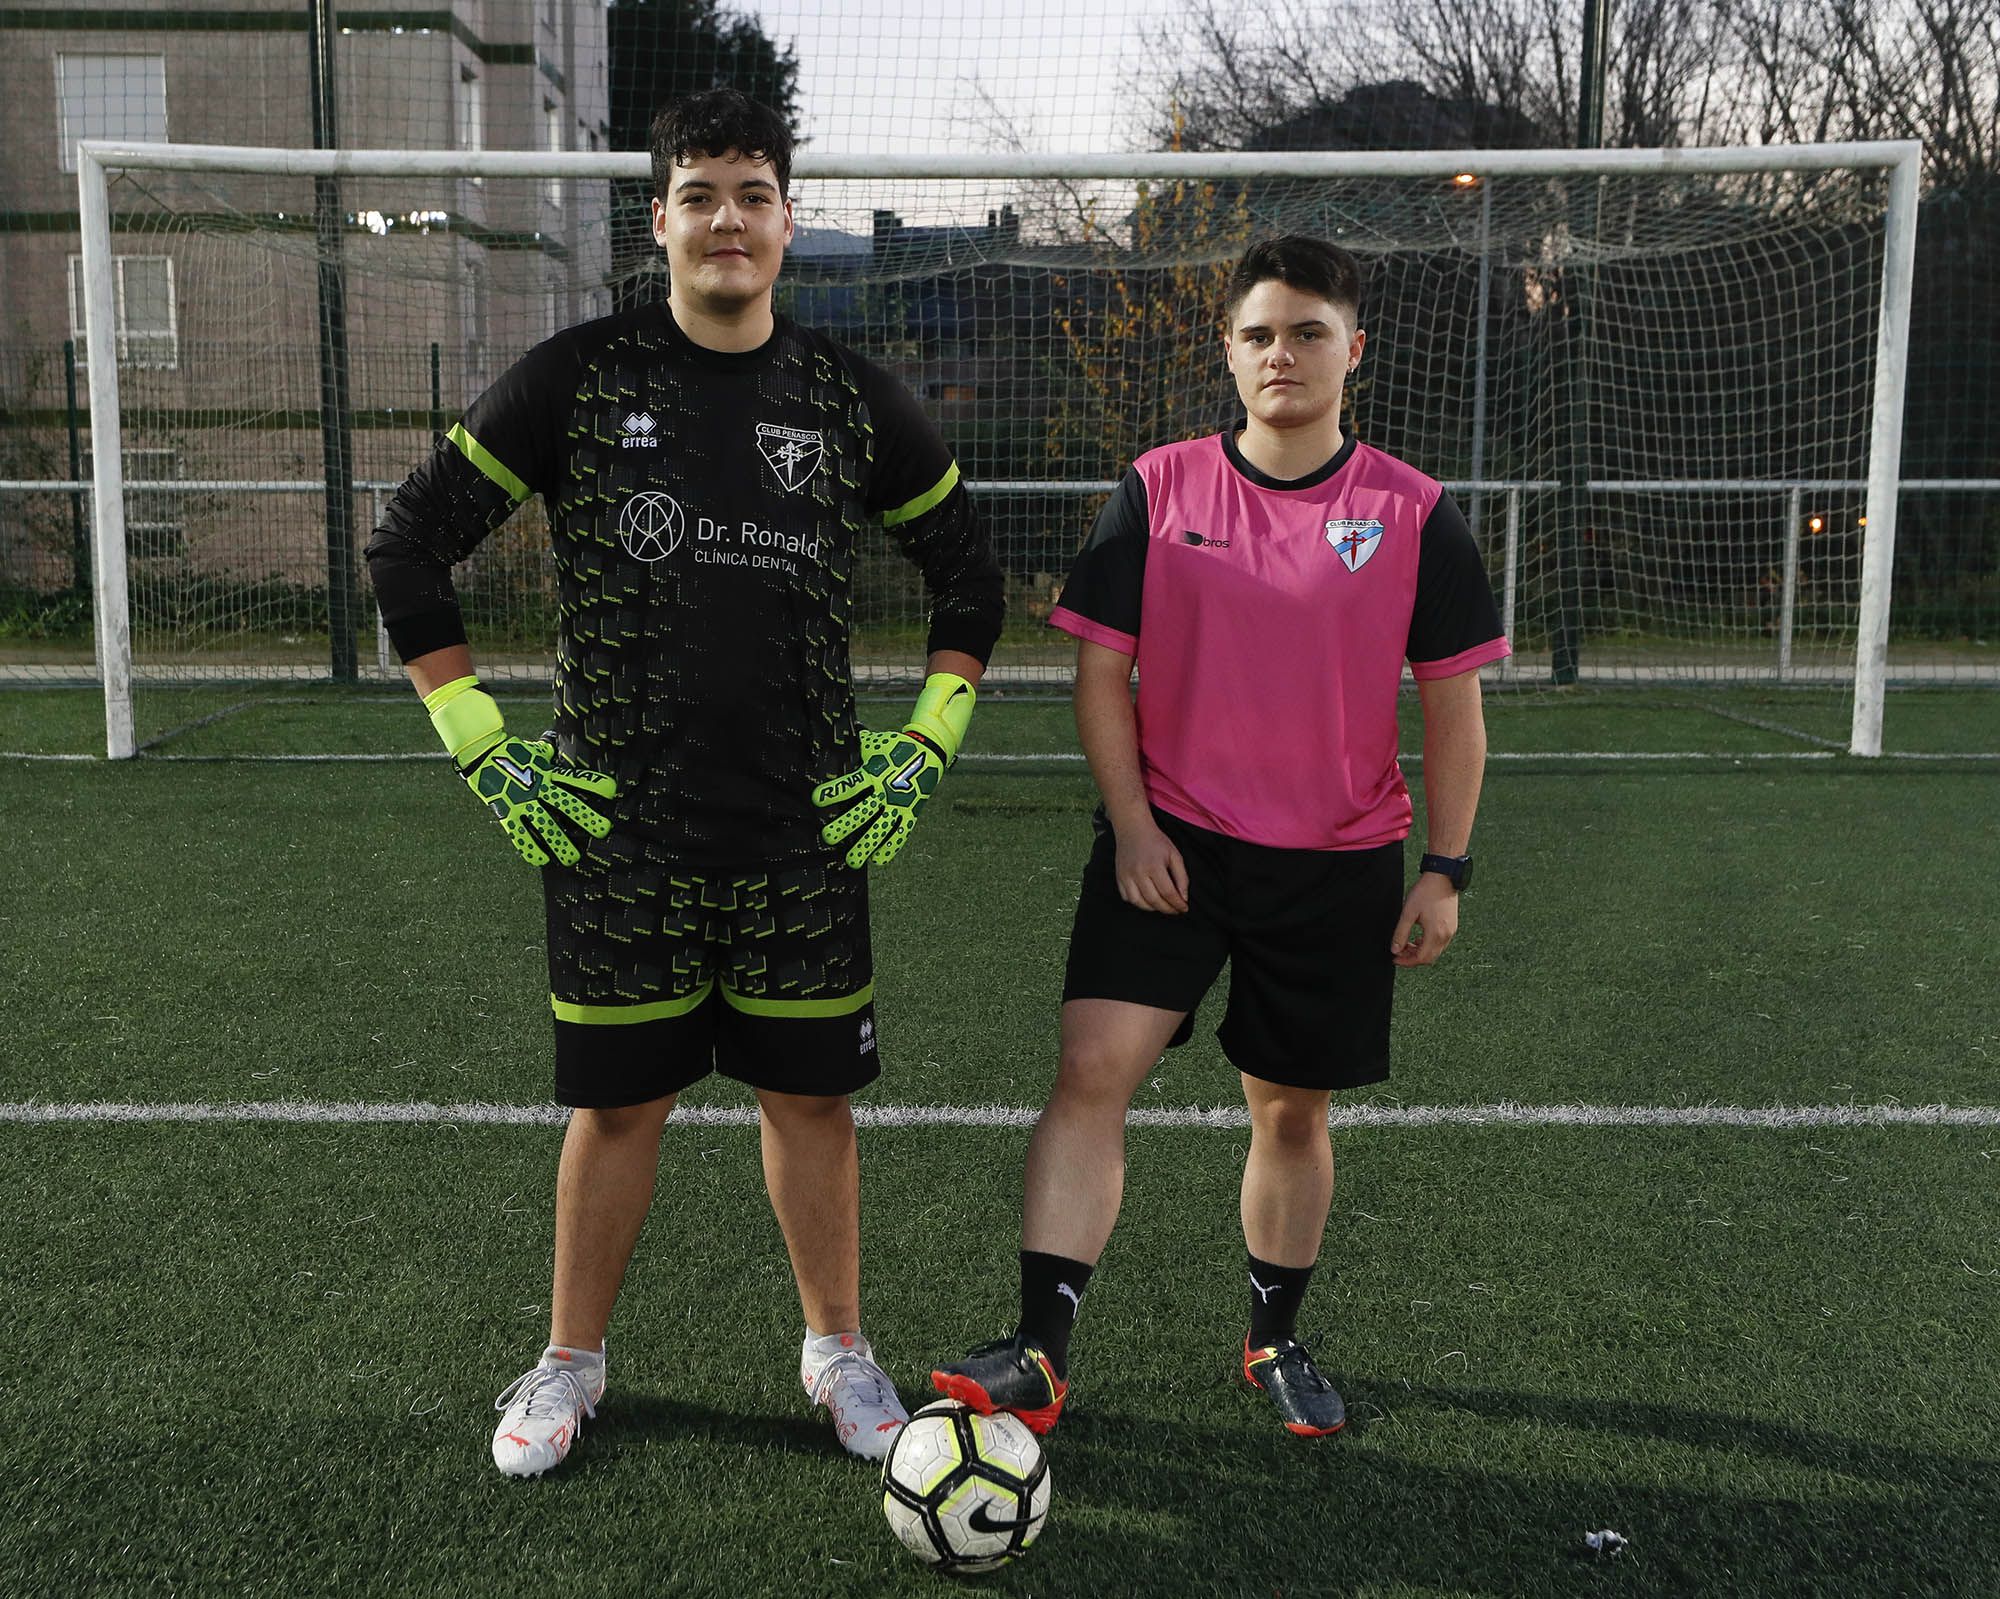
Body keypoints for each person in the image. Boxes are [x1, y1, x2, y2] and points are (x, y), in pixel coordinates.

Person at [366, 88, 1004, 1477]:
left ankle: (838, 1346)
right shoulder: (578, 377)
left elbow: (972, 567)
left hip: (801, 830)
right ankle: (570, 1357)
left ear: (787, 218)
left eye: (753, 193)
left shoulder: (844, 394)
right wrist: (475, 729)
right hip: (616, 831)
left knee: (812, 1104)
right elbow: (408, 540)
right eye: (700, 193)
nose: (728, 218)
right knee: (619, 1108)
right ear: (656, 218)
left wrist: (927, 736)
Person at [931, 235, 1508, 1438]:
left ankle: (1272, 1339)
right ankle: (1037, 1346)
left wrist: (1442, 871)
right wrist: (1133, 826)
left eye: (1306, 332)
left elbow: (1454, 709)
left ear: (1355, 348)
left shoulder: (1411, 513)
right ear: (1227, 352)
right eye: (1258, 334)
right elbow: (1100, 676)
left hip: (1336, 863)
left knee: (1288, 1112)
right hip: (1171, 850)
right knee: (1090, 1071)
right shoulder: (1159, 486)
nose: (1281, 354)